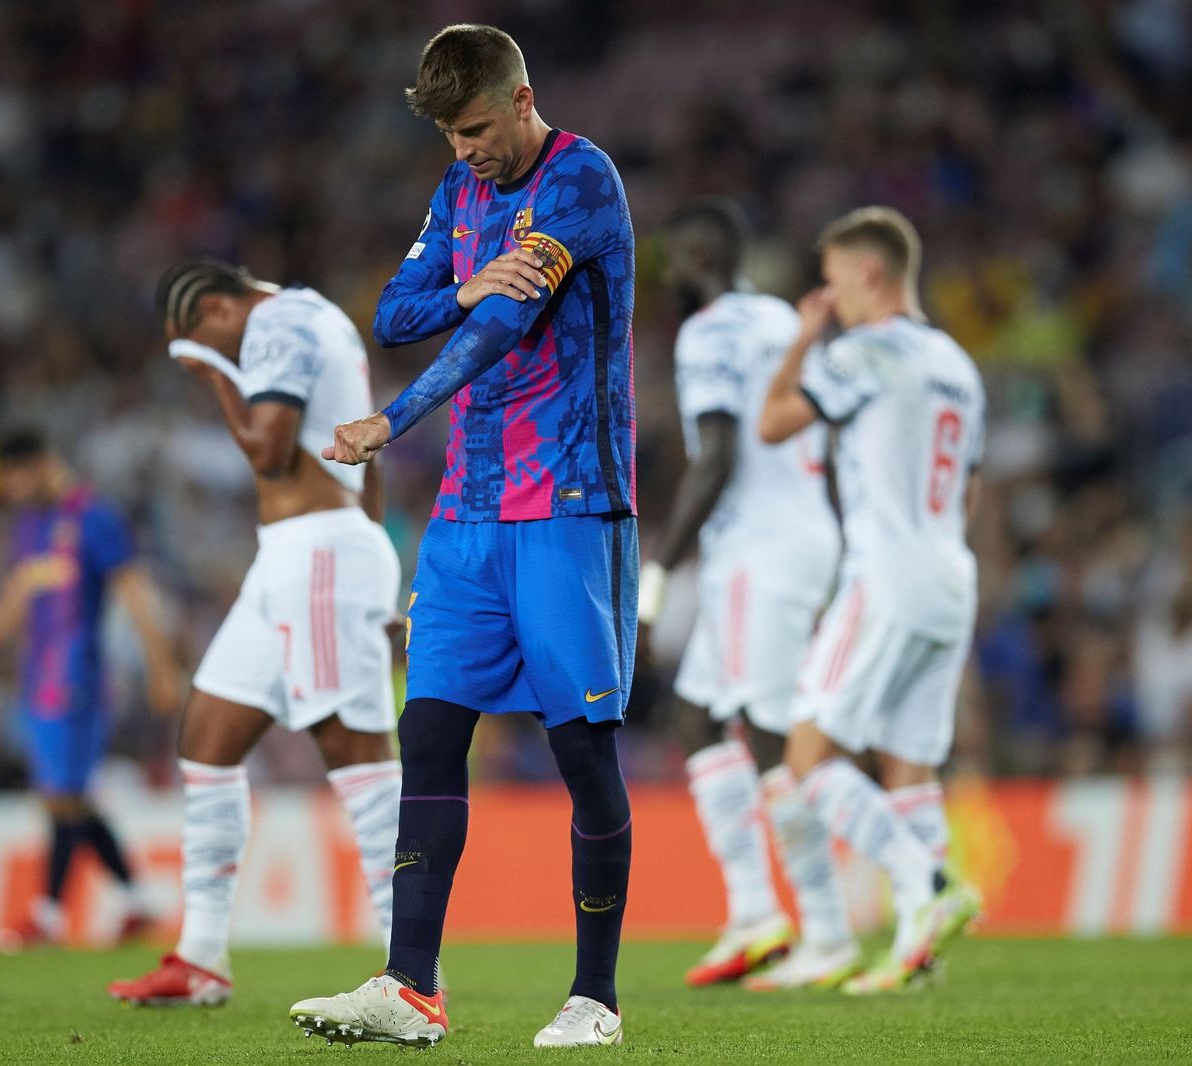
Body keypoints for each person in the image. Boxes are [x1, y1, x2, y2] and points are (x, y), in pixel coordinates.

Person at [289, 23, 636, 1050]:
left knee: (581, 751)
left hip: (568, 499)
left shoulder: (581, 183)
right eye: (448, 134)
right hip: (467, 509)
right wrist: (464, 283)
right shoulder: (459, 193)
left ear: (522, 99)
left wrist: (392, 419)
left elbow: (499, 333)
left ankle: (596, 997)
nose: (463, 151)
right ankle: (410, 986)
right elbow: (399, 310)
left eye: (476, 128)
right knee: (430, 730)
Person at [108, 259, 405, 1007]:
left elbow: (269, 449)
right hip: (298, 554)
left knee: (354, 750)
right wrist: (375, 555)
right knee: (207, 737)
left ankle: (411, 970)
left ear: (215, 308)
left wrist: (212, 373)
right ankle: (202, 958)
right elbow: (361, 455)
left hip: (319, 553)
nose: (214, 356)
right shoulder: (316, 319)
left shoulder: (275, 325)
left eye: (201, 340)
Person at [758, 206, 984, 993]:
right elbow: (973, 488)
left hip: (884, 572)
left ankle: (929, 883)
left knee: (808, 761)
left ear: (869, 273)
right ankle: (921, 955)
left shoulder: (867, 352)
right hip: (950, 570)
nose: (830, 300)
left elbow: (774, 422)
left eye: (831, 284)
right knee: (911, 767)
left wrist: (798, 342)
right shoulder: (958, 363)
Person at [639, 199, 860, 991]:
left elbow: (719, 454)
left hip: (756, 551)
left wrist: (659, 568)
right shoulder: (778, 322)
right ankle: (754, 911)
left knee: (768, 733)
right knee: (695, 715)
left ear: (694, 263)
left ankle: (828, 931)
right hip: (800, 535)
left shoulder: (710, 333)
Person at [0, 429, 182, 948]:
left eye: (14, 476)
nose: (9, 490)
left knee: (60, 797)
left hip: (79, 678)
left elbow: (134, 592)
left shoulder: (94, 519)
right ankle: (135, 901)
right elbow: (17, 595)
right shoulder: (32, 524)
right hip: (39, 679)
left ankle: (49, 913)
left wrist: (161, 667)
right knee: (70, 798)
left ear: (40, 464)